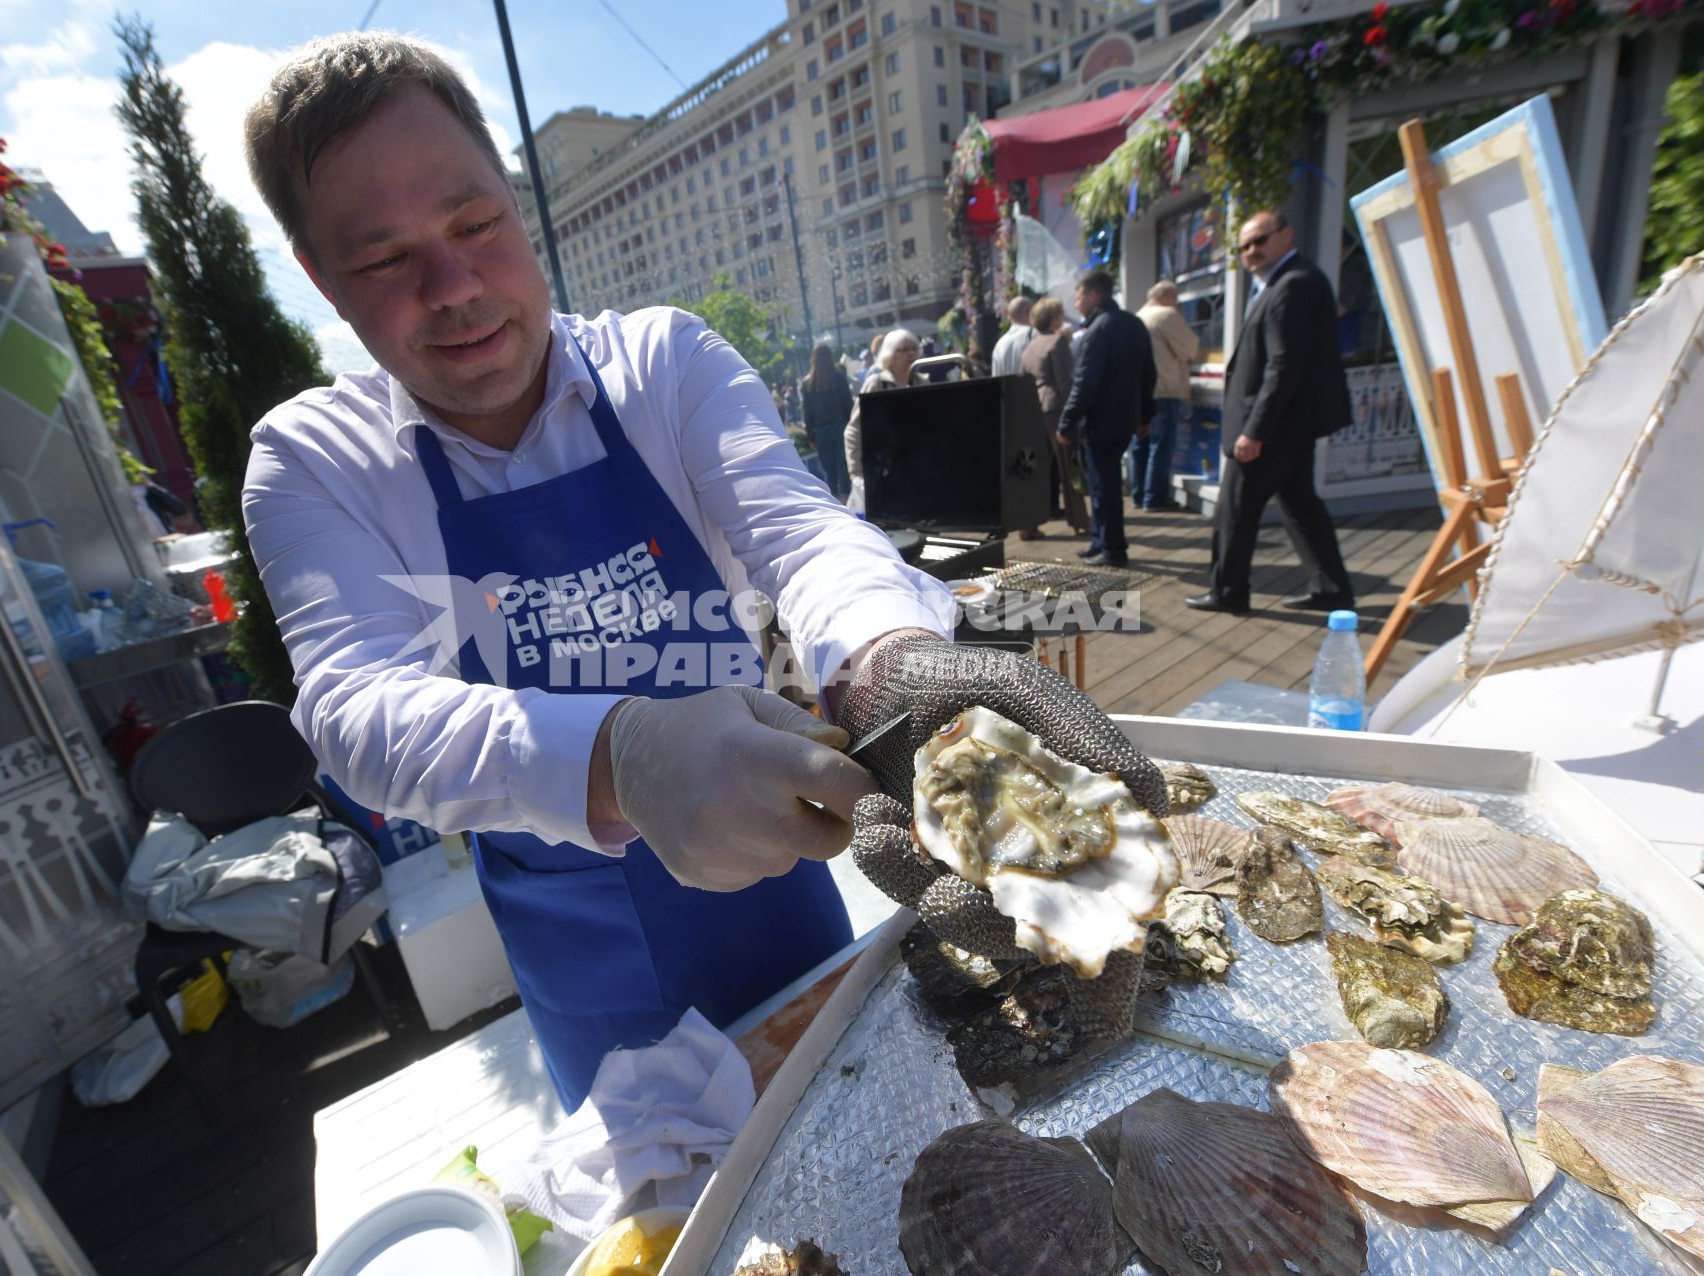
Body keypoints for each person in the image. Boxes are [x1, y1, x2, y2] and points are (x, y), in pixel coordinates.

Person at [238, 34, 1167, 1109]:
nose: (453, 287)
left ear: (516, 201)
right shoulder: (313, 460)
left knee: (861, 1117)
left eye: (474, 223)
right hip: (577, 953)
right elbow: (354, 708)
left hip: (777, 864)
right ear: (319, 278)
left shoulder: (663, 363)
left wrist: (888, 659)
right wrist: (622, 752)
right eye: (385, 259)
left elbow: (801, 530)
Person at [1186, 210, 1354, 615]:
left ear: (1286, 234)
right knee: (1299, 503)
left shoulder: (1292, 284)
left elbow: (1284, 366)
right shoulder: (1285, 282)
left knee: (1235, 509)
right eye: (1244, 246)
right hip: (1289, 424)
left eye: (1260, 241)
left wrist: (1254, 430)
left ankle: (1229, 592)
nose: (1252, 251)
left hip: (1273, 426)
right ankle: (1331, 587)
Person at [1057, 270, 1154, 569]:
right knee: (1104, 485)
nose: (1076, 303)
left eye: (1078, 297)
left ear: (1093, 295)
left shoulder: (1099, 329)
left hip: (1102, 421)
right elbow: (1148, 373)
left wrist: (1066, 422)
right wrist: (1145, 415)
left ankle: (1112, 548)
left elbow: (1086, 382)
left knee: (1103, 488)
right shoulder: (1134, 323)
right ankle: (1101, 541)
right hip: (1125, 419)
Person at [1021, 296, 1087, 538]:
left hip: (1034, 408)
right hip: (1056, 408)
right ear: (1054, 318)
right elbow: (1065, 381)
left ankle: (1027, 526)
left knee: (1035, 472)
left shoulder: (1030, 346)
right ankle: (1079, 520)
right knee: (1068, 466)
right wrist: (1075, 412)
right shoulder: (1057, 342)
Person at [1133, 281, 1199, 512]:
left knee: (1141, 445)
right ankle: (1155, 497)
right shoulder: (1166, 316)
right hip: (1165, 389)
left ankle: (1139, 494)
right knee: (1160, 445)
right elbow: (1190, 348)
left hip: (1141, 392)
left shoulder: (1137, 317)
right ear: (1169, 296)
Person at [843, 328, 919, 513]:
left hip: (917, 470)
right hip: (884, 470)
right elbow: (854, 429)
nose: (911, 354)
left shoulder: (922, 382)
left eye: (914, 349)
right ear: (891, 354)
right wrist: (856, 471)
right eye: (904, 349)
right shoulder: (876, 384)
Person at [800, 343, 854, 502]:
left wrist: (810, 436)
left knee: (829, 470)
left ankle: (834, 500)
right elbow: (848, 404)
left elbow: (807, 412)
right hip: (840, 425)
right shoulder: (838, 377)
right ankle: (845, 499)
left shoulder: (807, 383)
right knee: (843, 466)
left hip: (821, 430)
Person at [988, 294, 1034, 379]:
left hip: (1007, 391)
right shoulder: (1033, 334)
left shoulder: (999, 344)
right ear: (1029, 313)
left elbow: (996, 379)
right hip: (1030, 390)